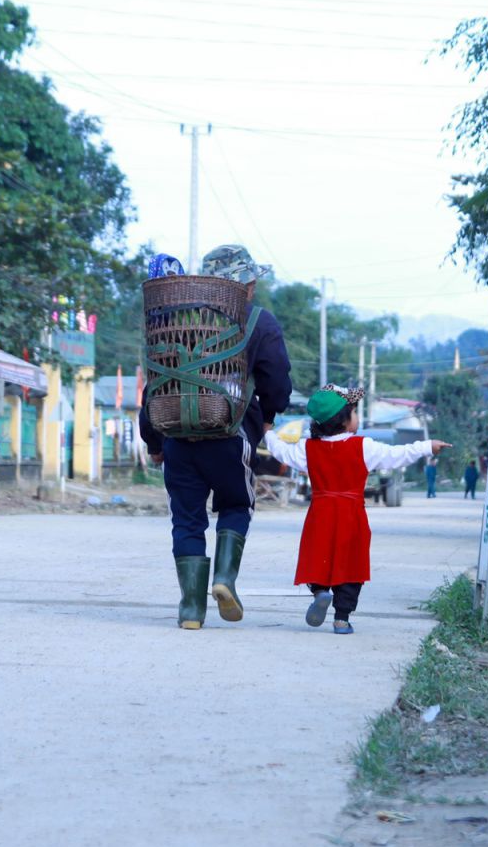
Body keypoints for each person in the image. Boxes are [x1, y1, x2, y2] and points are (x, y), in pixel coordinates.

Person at [139, 244, 293, 630]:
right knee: (237, 504)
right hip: (229, 434)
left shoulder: (174, 317)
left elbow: (156, 382)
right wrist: (269, 415)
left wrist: (154, 442)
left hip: (176, 437)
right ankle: (224, 580)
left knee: (187, 520)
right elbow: (276, 382)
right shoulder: (259, 321)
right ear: (248, 285)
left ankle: (191, 610)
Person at [265, 386, 448, 633]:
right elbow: (398, 455)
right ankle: (342, 618)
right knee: (350, 564)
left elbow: (282, 451)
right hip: (351, 515)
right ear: (344, 420)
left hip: (320, 513)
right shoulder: (364, 447)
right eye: (353, 411)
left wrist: (268, 434)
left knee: (317, 557)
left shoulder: (307, 449)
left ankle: (320, 592)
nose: (357, 417)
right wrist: (428, 446)